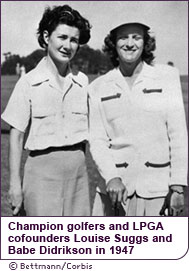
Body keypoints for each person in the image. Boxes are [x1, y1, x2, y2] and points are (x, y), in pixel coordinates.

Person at [88, 22, 187, 216]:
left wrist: (177, 186)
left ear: (145, 42)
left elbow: (178, 135)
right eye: (123, 37)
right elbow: (97, 140)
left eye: (136, 37)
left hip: (158, 192)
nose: (130, 43)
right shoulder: (98, 87)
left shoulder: (167, 78)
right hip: (115, 191)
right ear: (113, 43)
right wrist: (112, 178)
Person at [2, 5, 91, 216]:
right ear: (46, 36)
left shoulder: (82, 81)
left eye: (74, 40)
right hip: (41, 174)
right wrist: (15, 185)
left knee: (79, 242)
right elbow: (16, 136)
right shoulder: (28, 82)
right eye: (62, 37)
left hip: (78, 173)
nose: (67, 45)